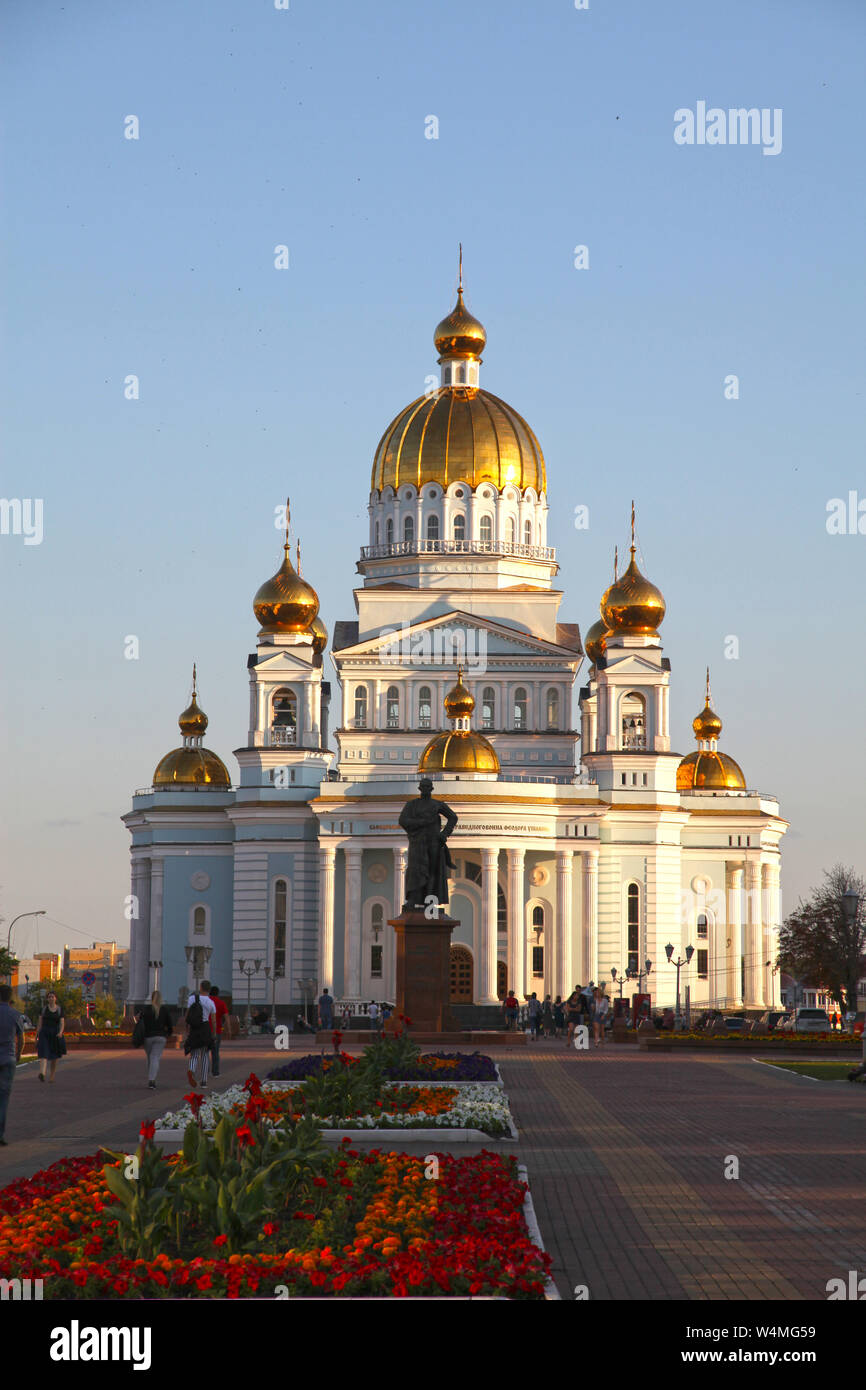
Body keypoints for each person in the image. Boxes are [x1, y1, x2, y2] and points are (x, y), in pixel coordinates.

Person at [0, 984, 24, 1146]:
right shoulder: (15, 1014)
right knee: (3, 1098)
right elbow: (21, 1038)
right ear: (10, 998)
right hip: (8, 1059)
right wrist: (18, 1054)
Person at [135, 990, 173, 1089]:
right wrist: (168, 1033)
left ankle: (151, 1079)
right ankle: (152, 1080)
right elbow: (169, 1024)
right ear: (160, 999)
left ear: (151, 998)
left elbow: (139, 1021)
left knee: (150, 1058)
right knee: (155, 1057)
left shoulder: (146, 1009)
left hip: (148, 1037)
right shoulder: (164, 1010)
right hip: (160, 1037)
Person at [185, 980, 216, 1088]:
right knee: (205, 1055)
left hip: (194, 1028)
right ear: (209, 989)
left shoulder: (192, 999)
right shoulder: (211, 1002)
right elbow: (213, 1020)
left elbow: (187, 1015)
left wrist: (187, 1028)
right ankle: (203, 1082)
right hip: (205, 1028)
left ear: (200, 987)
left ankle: (191, 1070)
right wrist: (214, 1033)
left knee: (194, 1054)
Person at [36, 990, 66, 1083]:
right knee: (43, 1053)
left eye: (53, 996)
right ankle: (42, 1073)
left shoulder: (60, 1010)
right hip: (44, 1032)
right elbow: (40, 1023)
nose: (51, 998)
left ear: (55, 998)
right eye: (49, 997)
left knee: (54, 1056)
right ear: (47, 999)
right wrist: (37, 1034)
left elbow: (62, 1023)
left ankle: (52, 1076)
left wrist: (60, 1032)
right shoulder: (44, 1009)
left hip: (55, 1033)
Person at [209, 985, 229, 1074]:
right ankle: (215, 1071)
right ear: (218, 993)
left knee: (205, 1052)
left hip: (205, 1031)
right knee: (215, 1052)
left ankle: (204, 1071)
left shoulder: (205, 1002)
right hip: (217, 1031)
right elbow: (226, 1017)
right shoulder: (221, 1003)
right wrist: (228, 1029)